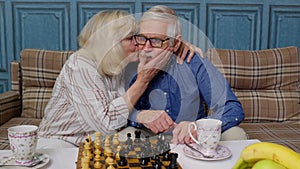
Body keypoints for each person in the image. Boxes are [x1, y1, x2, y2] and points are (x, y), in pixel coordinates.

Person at [37, 10, 198, 148]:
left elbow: (159, 47)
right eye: (130, 38)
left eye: (137, 36)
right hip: (61, 142)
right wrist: (142, 81)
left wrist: (179, 46)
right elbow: (106, 124)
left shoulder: (121, 62)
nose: (138, 43)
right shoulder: (80, 66)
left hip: (97, 141)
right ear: (110, 44)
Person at [127, 5, 248, 144]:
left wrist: (198, 127)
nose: (146, 48)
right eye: (142, 38)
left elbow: (231, 107)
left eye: (156, 41)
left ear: (176, 43)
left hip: (193, 138)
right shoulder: (130, 63)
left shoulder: (194, 62)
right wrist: (139, 116)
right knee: (126, 136)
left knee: (235, 134)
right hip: (148, 138)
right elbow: (113, 113)